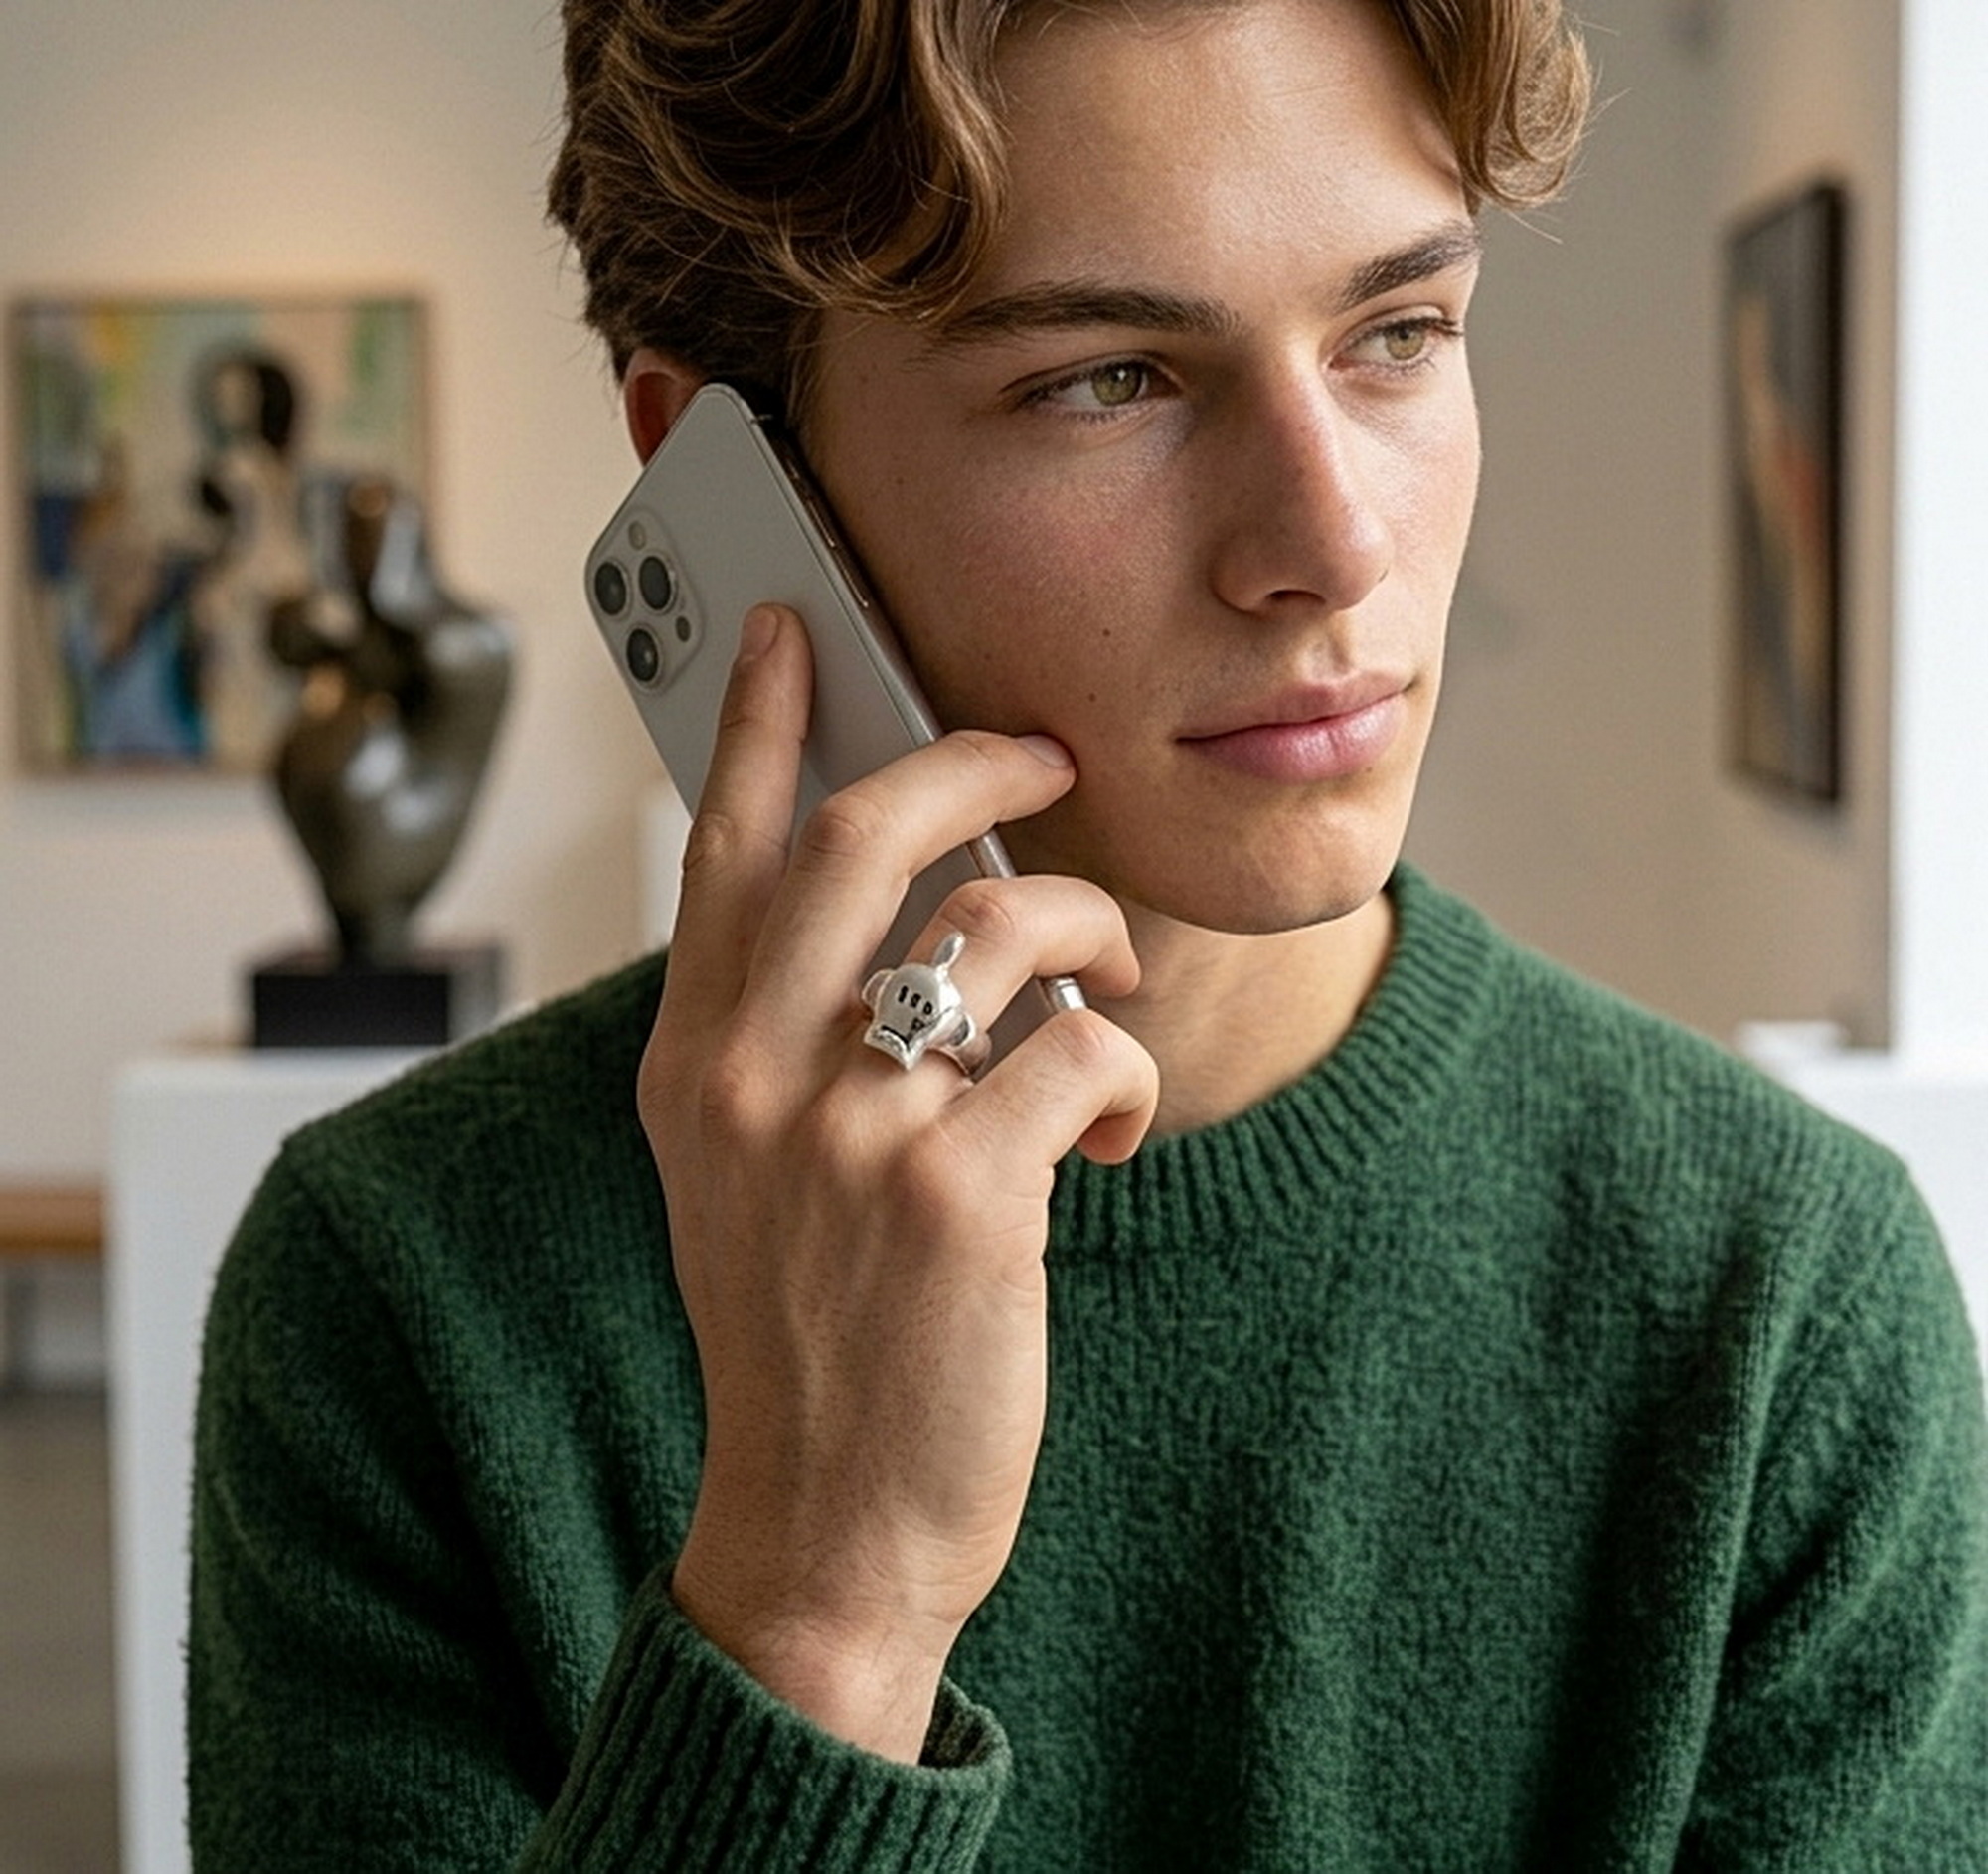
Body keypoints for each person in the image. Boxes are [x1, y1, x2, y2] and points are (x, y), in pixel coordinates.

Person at [188, 0, 1988, 1866]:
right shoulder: (404, 1296)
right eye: (1110, 377)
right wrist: (820, 1602)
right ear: (723, 485)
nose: (1333, 541)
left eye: (1400, 333)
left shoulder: (1782, 1306)